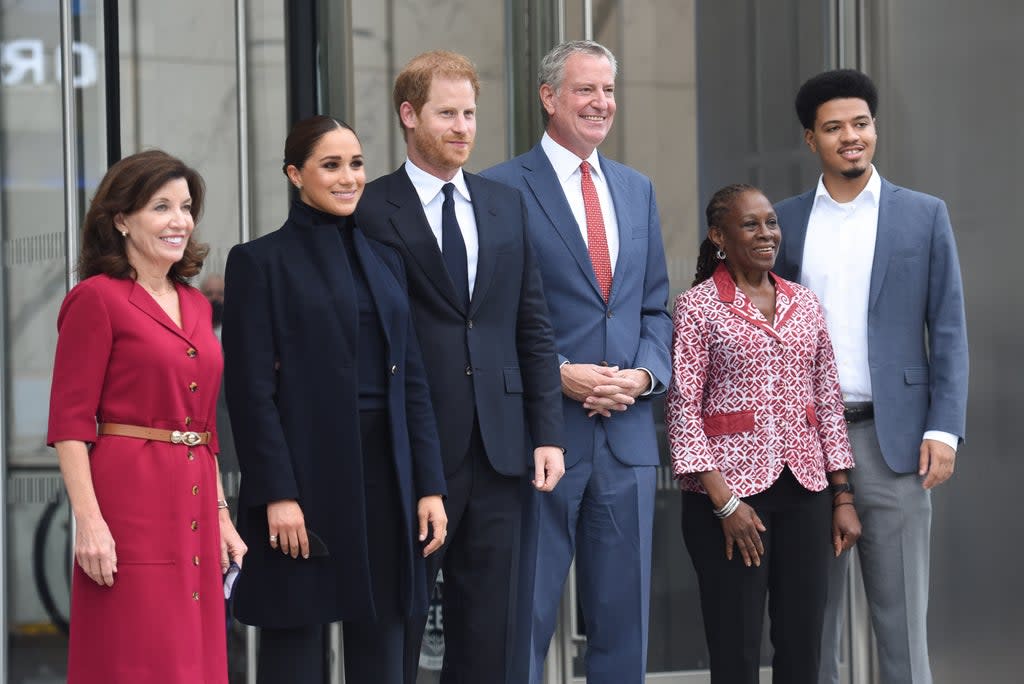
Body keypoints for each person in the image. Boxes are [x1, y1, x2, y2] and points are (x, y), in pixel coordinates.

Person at [356, 50, 565, 683]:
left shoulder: (504, 204)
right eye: (447, 113)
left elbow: (531, 322)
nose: (462, 127)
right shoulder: (369, 208)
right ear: (408, 115)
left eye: (470, 113)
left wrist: (548, 430)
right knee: (399, 623)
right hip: (411, 449)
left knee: (492, 628)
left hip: (502, 447)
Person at [221, 115, 448, 684]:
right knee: (295, 650)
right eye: (331, 165)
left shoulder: (386, 259)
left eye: (356, 164)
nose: (349, 178)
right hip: (305, 477)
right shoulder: (259, 261)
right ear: (295, 174)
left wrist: (429, 485)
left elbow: (412, 381)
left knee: (384, 648)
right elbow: (250, 393)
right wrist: (277, 494)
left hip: (387, 479)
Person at [482, 40, 671, 683]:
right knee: (524, 616)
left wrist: (645, 377)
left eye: (609, 91)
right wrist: (559, 372)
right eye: (586, 90)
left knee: (625, 625)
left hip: (627, 436)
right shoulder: (500, 189)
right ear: (549, 98)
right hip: (543, 437)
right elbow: (488, 317)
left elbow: (653, 310)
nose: (601, 104)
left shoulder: (637, 188)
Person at [773, 69, 969, 684]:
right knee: (809, 625)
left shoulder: (923, 216)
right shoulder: (783, 222)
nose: (850, 137)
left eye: (860, 124)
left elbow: (948, 329)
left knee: (903, 627)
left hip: (897, 443)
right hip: (805, 445)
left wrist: (945, 428)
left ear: (874, 129)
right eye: (834, 128)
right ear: (812, 140)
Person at [47, 149, 247, 683]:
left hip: (196, 500)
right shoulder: (96, 300)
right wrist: (88, 523)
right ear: (120, 219)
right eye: (161, 206)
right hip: (128, 503)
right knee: (134, 654)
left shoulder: (197, 303)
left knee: (195, 655)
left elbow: (204, 425)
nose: (178, 220)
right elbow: (69, 424)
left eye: (185, 207)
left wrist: (223, 516)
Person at [665, 184, 860, 683]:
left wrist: (842, 496)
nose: (766, 233)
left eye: (770, 222)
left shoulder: (805, 303)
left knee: (802, 644)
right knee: (736, 647)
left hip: (806, 492)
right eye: (750, 224)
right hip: (728, 500)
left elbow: (827, 402)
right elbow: (683, 408)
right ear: (719, 236)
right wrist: (725, 505)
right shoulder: (697, 306)